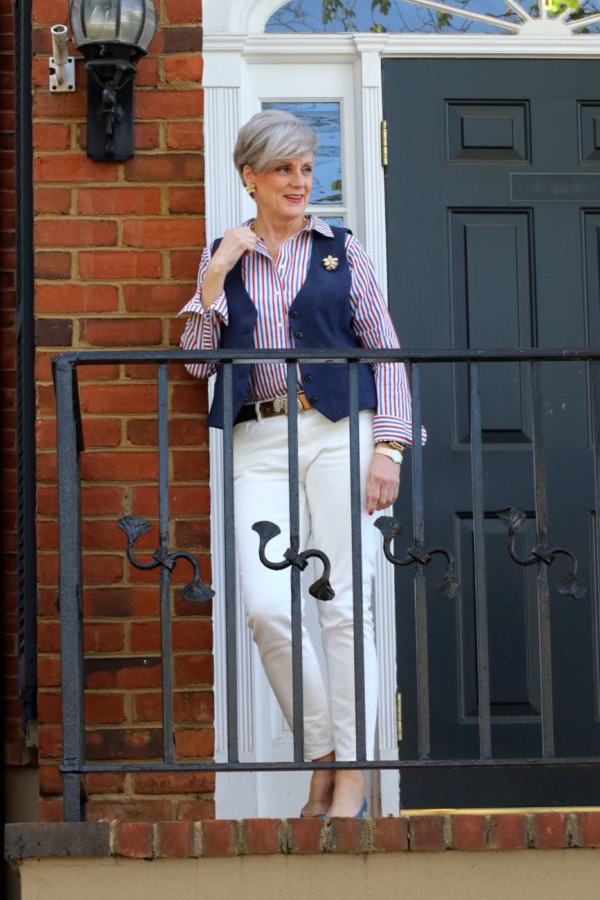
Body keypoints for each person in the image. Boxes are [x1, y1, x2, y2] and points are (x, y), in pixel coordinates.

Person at [179, 109, 416, 818]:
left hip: (341, 430)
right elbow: (196, 362)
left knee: (346, 603)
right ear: (250, 176)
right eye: (283, 169)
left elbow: (386, 353)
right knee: (265, 606)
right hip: (258, 440)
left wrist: (390, 447)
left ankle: (354, 775)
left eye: (306, 169)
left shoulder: (345, 251)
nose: (298, 181)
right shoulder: (227, 256)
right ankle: (328, 754)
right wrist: (216, 273)